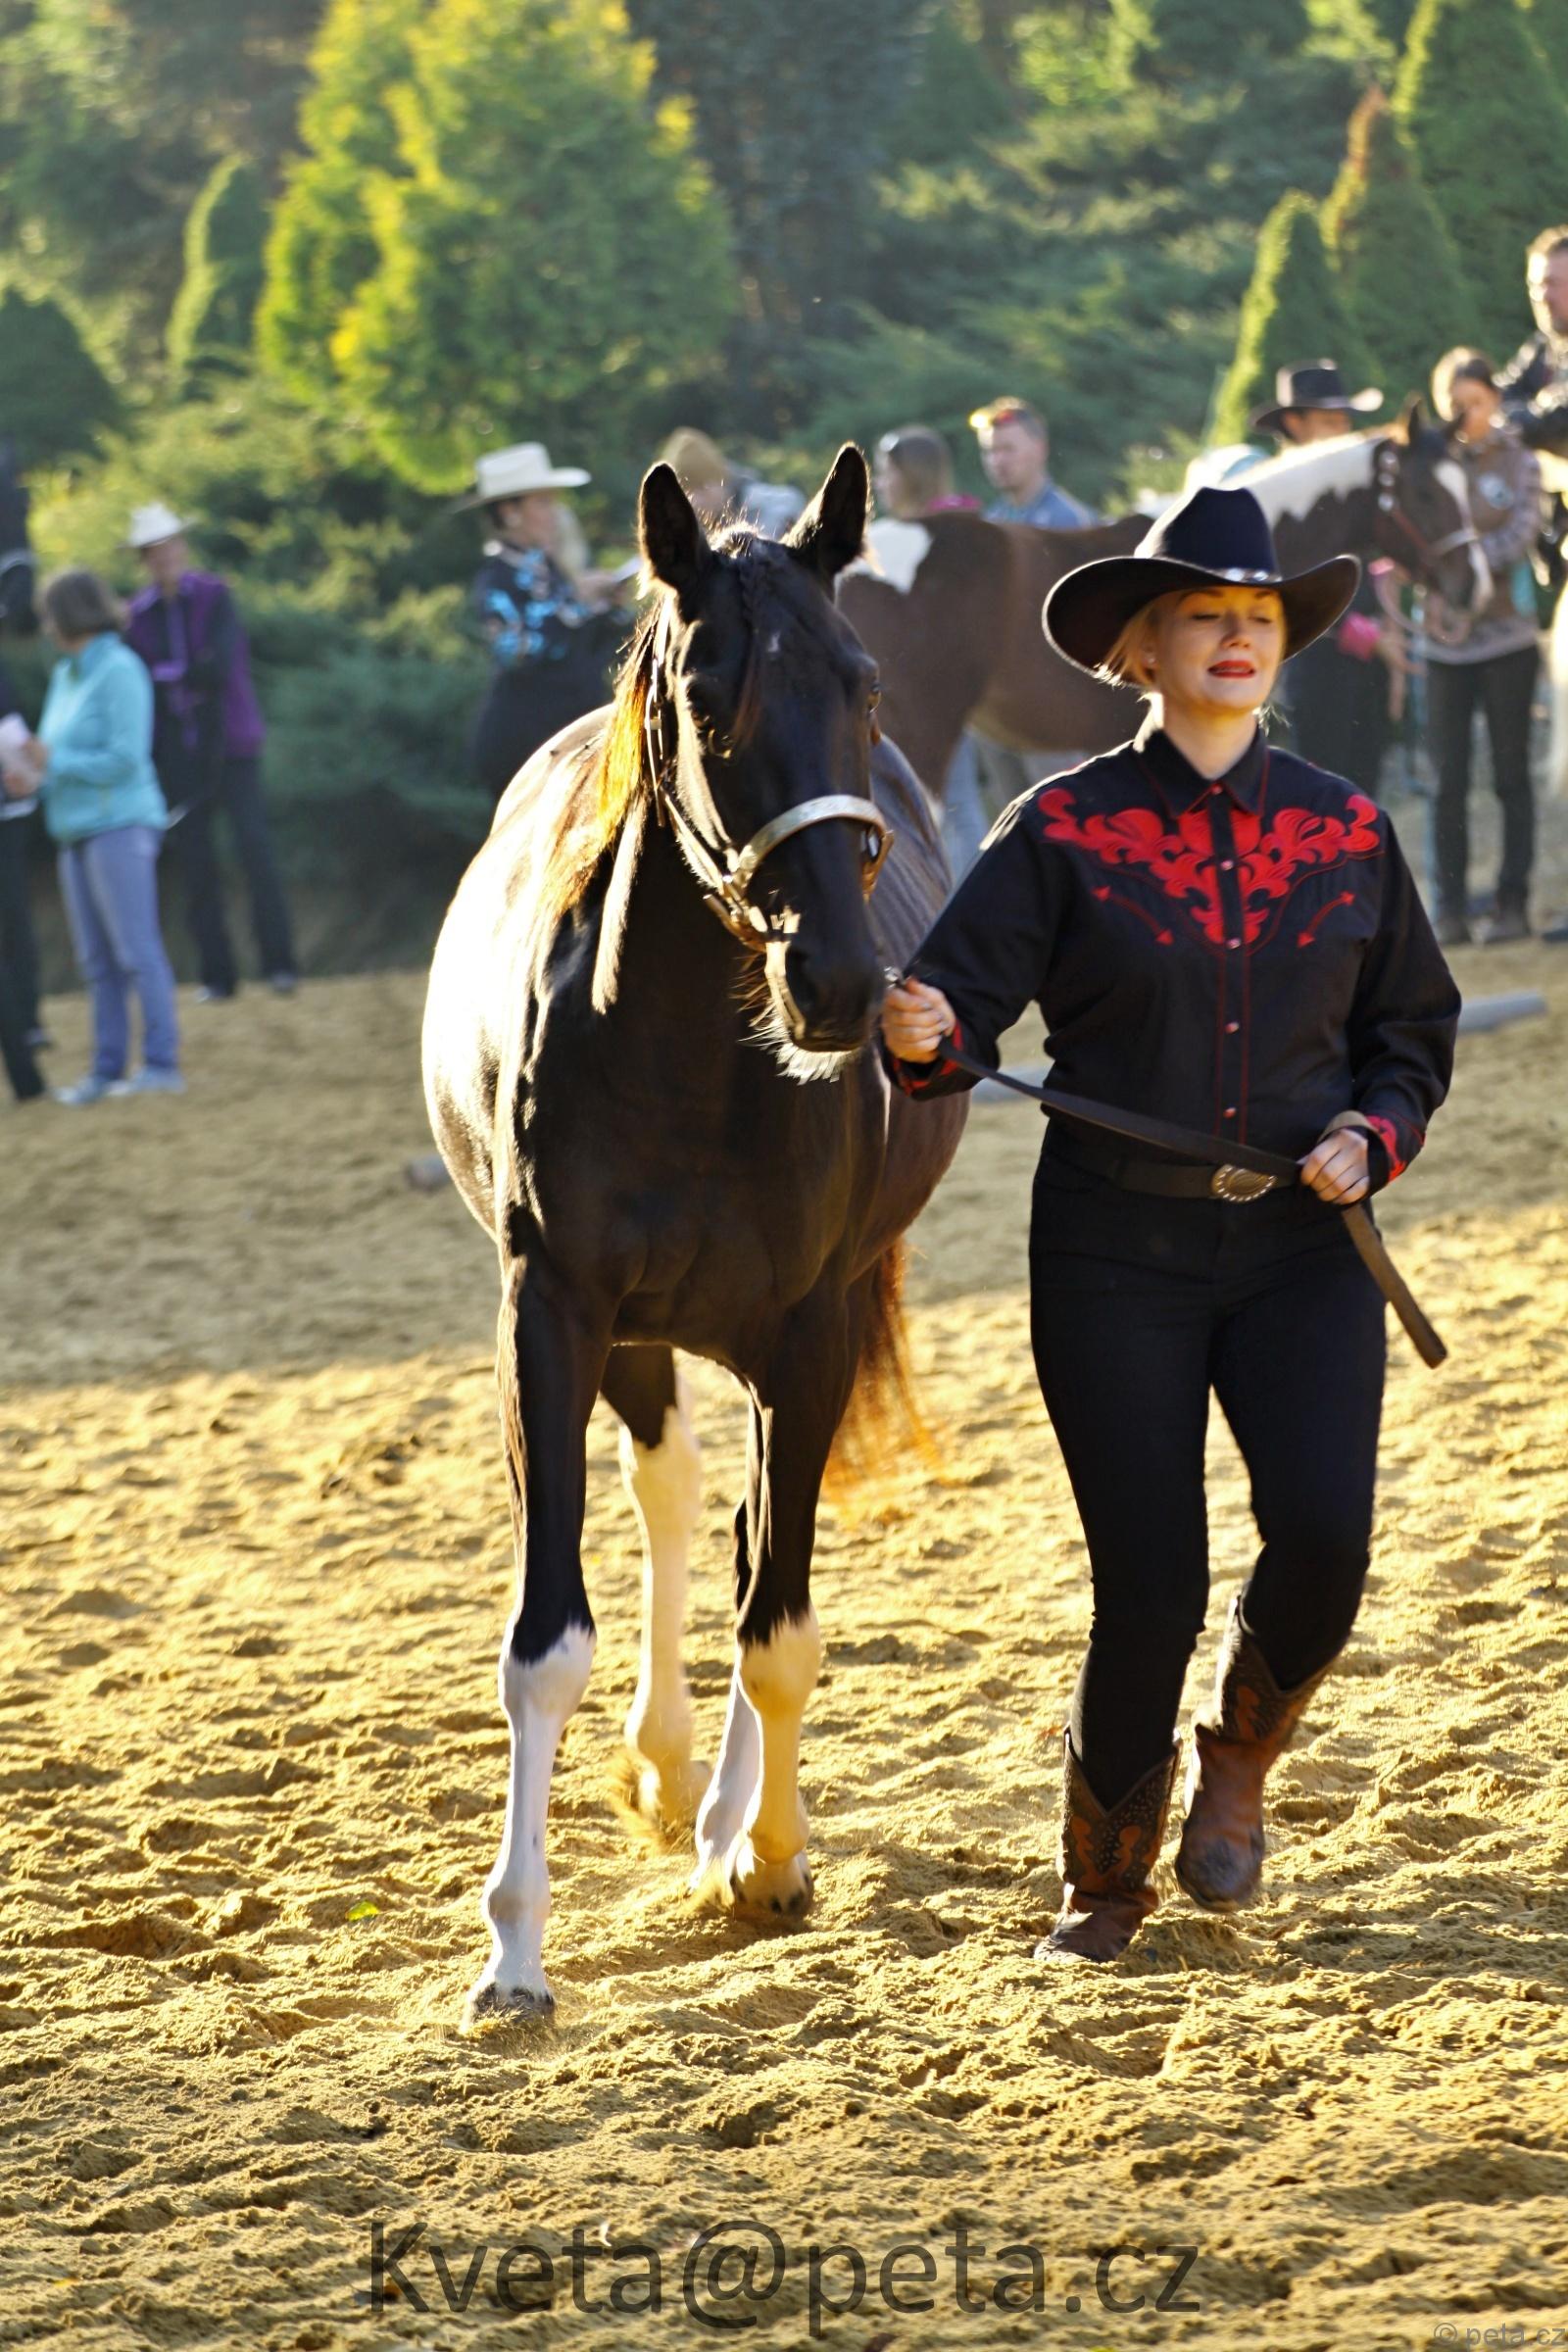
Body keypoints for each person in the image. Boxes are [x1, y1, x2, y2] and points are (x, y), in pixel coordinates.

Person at [880, 483, 1458, 1968]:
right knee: (1150, 1585)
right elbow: (954, 1025)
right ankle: (1105, 1881)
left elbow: (1411, 1034)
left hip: (1303, 1252)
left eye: (1257, 617)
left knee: (1324, 1540)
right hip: (1110, 1256)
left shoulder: (1347, 827)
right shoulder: (1058, 829)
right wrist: (923, 1033)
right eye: (1204, 615)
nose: (1236, 638)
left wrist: (1371, 1133)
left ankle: (1241, 1758)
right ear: (1139, 648)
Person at [7, 569, 181, 1104]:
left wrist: (52, 762)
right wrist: (32, 775)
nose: (45, 627)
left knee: (136, 951)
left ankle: (161, 1064)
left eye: (49, 616)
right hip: (74, 831)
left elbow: (126, 757)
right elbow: (59, 756)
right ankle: (106, 1071)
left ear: (70, 615)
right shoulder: (66, 674)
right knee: (96, 962)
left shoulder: (121, 669)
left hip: (120, 825)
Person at [122, 504, 297, 1004]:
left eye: (170, 545)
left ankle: (280, 965)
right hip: (178, 753)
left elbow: (218, 667)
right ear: (144, 558)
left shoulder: (216, 596)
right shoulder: (138, 616)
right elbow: (145, 680)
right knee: (196, 862)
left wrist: (172, 675)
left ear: (182, 546)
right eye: (154, 550)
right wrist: (182, 675)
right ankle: (217, 976)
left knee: (254, 850)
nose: (165, 556)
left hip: (232, 744)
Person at [1421, 351, 1544, 947]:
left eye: (1474, 402)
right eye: (1454, 405)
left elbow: (1522, 530)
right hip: (1444, 646)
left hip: (1508, 642)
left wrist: (1464, 569)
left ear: (1493, 399)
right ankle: (1449, 908)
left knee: (1510, 774)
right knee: (1446, 781)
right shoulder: (1426, 464)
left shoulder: (1520, 460)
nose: (1465, 414)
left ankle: (1512, 902)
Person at [1250, 362, 1403, 796]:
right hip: (1314, 663)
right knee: (1319, 795)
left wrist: (1388, 634)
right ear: (1295, 424)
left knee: (1365, 793)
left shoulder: (1352, 493)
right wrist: (1370, 637)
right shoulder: (1277, 502)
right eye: (1330, 420)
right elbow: (1286, 589)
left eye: (1344, 420)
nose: (1342, 430)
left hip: (1368, 666)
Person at [463, 443, 632, 801]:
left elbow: (590, 642)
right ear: (510, 512)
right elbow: (517, 651)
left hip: (576, 734)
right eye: (542, 503)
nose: (555, 513)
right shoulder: (497, 579)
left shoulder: (552, 570)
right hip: (526, 744)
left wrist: (608, 604)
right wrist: (579, 604)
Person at [966, 397, 1101, 821]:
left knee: (1065, 821)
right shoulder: (991, 523)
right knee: (1013, 824)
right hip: (1001, 708)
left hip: (1055, 709)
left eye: (1008, 449)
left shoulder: (1073, 524)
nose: (997, 461)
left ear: (1039, 449)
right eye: (990, 451)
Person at [872, 426, 989, 877]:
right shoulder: (905, 535)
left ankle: (965, 903)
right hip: (908, 694)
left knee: (954, 808)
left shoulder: (944, 537)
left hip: (935, 693)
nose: (881, 483)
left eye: (888, 472)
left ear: (913, 475)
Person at [657, 428, 806, 538]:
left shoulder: (775, 504)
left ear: (720, 478)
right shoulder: (684, 528)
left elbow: (789, 503)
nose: (695, 501)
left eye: (701, 487)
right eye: (687, 492)